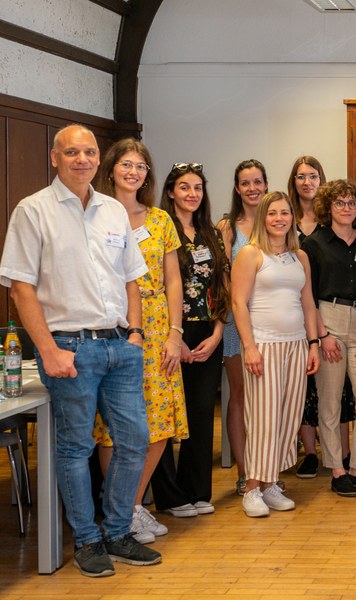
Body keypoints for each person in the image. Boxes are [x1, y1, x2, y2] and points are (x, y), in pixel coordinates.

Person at [0, 124, 161, 575]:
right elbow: (20, 288)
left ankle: (117, 531)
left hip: (119, 346)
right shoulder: (33, 211)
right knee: (75, 448)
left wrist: (135, 334)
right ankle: (88, 541)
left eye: (89, 152)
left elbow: (131, 276)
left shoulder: (112, 210)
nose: (82, 159)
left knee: (133, 441)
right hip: (68, 348)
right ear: (55, 157)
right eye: (72, 152)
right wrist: (48, 349)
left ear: (98, 159)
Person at [88, 140, 187, 543]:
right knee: (113, 425)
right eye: (126, 164)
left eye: (141, 166)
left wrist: (175, 334)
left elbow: (174, 280)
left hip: (158, 323)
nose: (134, 171)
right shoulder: (93, 215)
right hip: (113, 323)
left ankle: (128, 507)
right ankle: (122, 508)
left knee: (160, 423)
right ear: (110, 169)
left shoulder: (161, 220)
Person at [231, 191, 321, 517]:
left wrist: (313, 344)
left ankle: (271, 483)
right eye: (272, 213)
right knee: (263, 418)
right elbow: (238, 303)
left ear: (292, 218)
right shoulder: (250, 254)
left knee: (287, 416)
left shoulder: (300, 257)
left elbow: (308, 303)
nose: (279, 219)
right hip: (263, 346)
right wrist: (250, 347)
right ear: (263, 218)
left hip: (296, 344)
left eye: (285, 213)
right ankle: (252, 488)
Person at [150, 162, 230, 527]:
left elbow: (221, 287)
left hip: (206, 335)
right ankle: (168, 496)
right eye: (184, 187)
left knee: (199, 414)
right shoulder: (160, 230)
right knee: (166, 418)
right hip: (170, 335)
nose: (192, 194)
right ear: (170, 192)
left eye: (198, 187)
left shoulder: (211, 233)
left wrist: (217, 334)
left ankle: (196, 490)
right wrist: (174, 333)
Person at [302, 179, 356, 497]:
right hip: (329, 325)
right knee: (330, 402)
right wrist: (321, 335)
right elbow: (307, 295)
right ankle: (337, 470)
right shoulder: (314, 244)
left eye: (351, 203)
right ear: (328, 207)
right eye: (339, 203)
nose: (346, 208)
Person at [288, 156, 356, 480]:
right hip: (297, 314)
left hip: (329, 318)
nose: (307, 182)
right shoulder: (287, 220)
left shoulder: (336, 222)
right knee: (306, 389)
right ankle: (311, 453)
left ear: (322, 181)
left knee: (337, 389)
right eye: (301, 177)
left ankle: (342, 452)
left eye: (313, 176)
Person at [217, 159, 267, 495]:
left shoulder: (276, 221)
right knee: (241, 396)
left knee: (268, 397)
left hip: (272, 321)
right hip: (238, 321)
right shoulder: (227, 228)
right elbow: (222, 278)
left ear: (266, 184)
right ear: (237, 188)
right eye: (245, 183)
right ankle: (244, 470)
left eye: (257, 182)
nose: (252, 188)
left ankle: (267, 468)